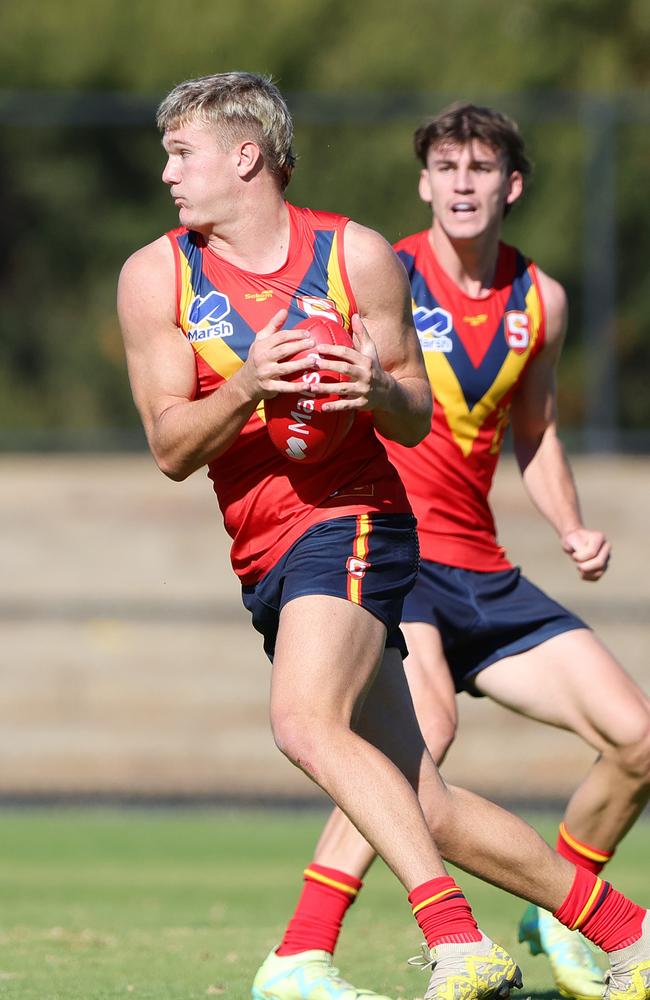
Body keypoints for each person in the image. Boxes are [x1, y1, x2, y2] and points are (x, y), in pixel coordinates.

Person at [116, 75, 650, 1000]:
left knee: (303, 722)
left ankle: (453, 940)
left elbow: (410, 415)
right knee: (422, 800)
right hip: (264, 547)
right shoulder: (156, 275)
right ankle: (628, 929)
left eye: (182, 152)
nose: (167, 173)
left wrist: (377, 386)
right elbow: (169, 447)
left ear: (246, 157)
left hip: (356, 519)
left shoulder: (354, 256)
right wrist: (247, 383)